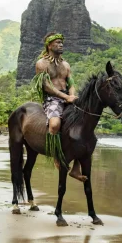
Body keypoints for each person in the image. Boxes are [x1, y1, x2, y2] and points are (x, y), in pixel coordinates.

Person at [34, 32, 85, 181]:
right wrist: (65, 97)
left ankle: (76, 169)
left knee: (83, 127)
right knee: (55, 124)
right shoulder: (41, 64)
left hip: (68, 98)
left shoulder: (66, 65)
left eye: (61, 42)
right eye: (57, 42)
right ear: (49, 45)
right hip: (52, 99)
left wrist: (72, 96)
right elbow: (46, 86)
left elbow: (71, 83)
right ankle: (56, 156)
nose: (61, 44)